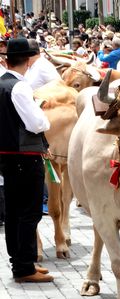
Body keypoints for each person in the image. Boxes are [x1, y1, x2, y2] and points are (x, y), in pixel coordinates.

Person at [0, 38, 53, 283]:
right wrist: (43, 115)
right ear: (29, 61)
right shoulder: (20, 88)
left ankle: (23, 261)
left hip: (8, 156)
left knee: (14, 211)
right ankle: (23, 267)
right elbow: (36, 123)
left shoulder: (2, 84)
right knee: (29, 212)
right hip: (26, 156)